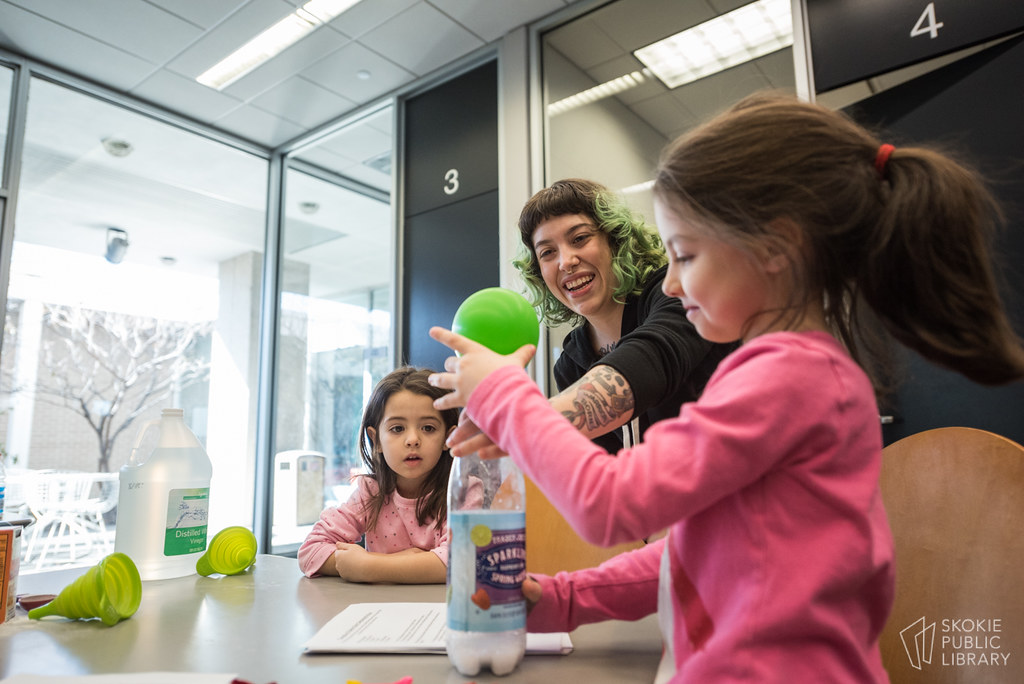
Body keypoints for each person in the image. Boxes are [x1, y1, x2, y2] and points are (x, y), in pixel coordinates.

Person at [428, 92, 1024, 682]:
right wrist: (567, 598)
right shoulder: (776, 373)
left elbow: (608, 505)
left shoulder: (789, 380)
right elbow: (704, 545)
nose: (675, 285)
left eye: (685, 255)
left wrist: (505, 395)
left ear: (774, 248)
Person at [450, 178, 735, 458]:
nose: (566, 261)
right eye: (547, 252)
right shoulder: (571, 363)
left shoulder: (675, 294)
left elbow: (653, 358)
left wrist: (524, 417)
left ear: (615, 240)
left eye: (580, 239)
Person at [297, 366, 463, 584]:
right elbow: (310, 550)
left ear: (448, 438)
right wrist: (378, 563)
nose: (412, 439)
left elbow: (460, 560)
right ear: (376, 440)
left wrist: (370, 566)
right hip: (378, 612)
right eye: (397, 429)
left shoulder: (463, 491)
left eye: (428, 428)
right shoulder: (370, 492)